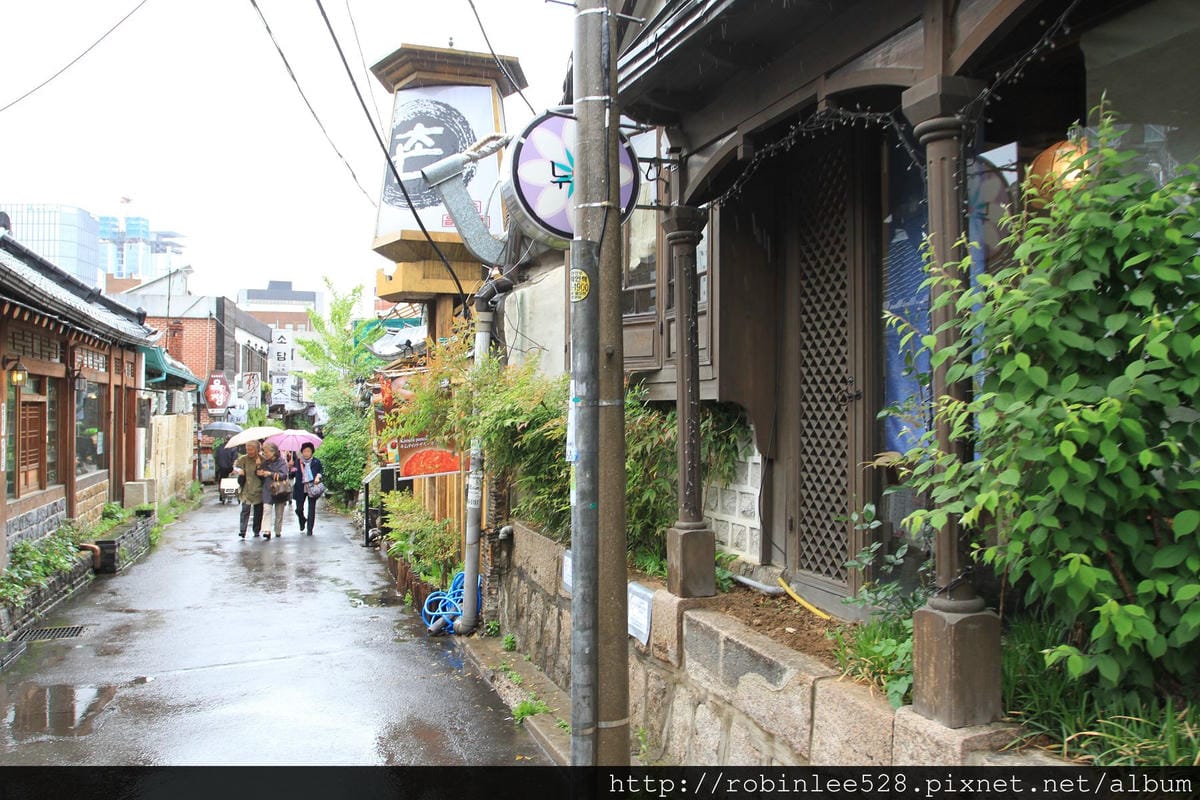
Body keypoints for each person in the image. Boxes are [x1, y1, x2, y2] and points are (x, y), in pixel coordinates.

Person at [256, 441, 291, 540]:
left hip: (279, 489)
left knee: (279, 512)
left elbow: (283, 475)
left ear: (273, 452)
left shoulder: (282, 462)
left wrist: (270, 474)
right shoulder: (264, 462)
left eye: (266, 452)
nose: (265, 454)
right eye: (264, 452)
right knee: (267, 510)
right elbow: (260, 474)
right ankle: (266, 530)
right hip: (267, 488)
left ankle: (278, 530)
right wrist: (258, 470)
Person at [290, 443, 324, 535]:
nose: (306, 453)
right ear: (302, 452)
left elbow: (321, 471)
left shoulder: (316, 462)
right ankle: (302, 520)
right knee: (299, 509)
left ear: (312, 452)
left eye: (308, 451)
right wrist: (290, 467)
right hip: (300, 487)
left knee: (311, 509)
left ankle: (310, 529)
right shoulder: (298, 462)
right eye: (304, 451)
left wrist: (318, 476)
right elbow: (291, 475)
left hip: (312, 487)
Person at [233, 441, 263, 539]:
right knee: (245, 510)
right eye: (247, 450)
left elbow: (264, 476)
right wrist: (239, 471)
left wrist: (259, 466)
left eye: (251, 450)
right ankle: (242, 530)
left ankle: (256, 530)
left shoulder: (262, 459)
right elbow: (235, 467)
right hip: (246, 488)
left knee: (258, 511)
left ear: (257, 450)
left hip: (258, 489)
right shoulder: (243, 459)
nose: (249, 452)